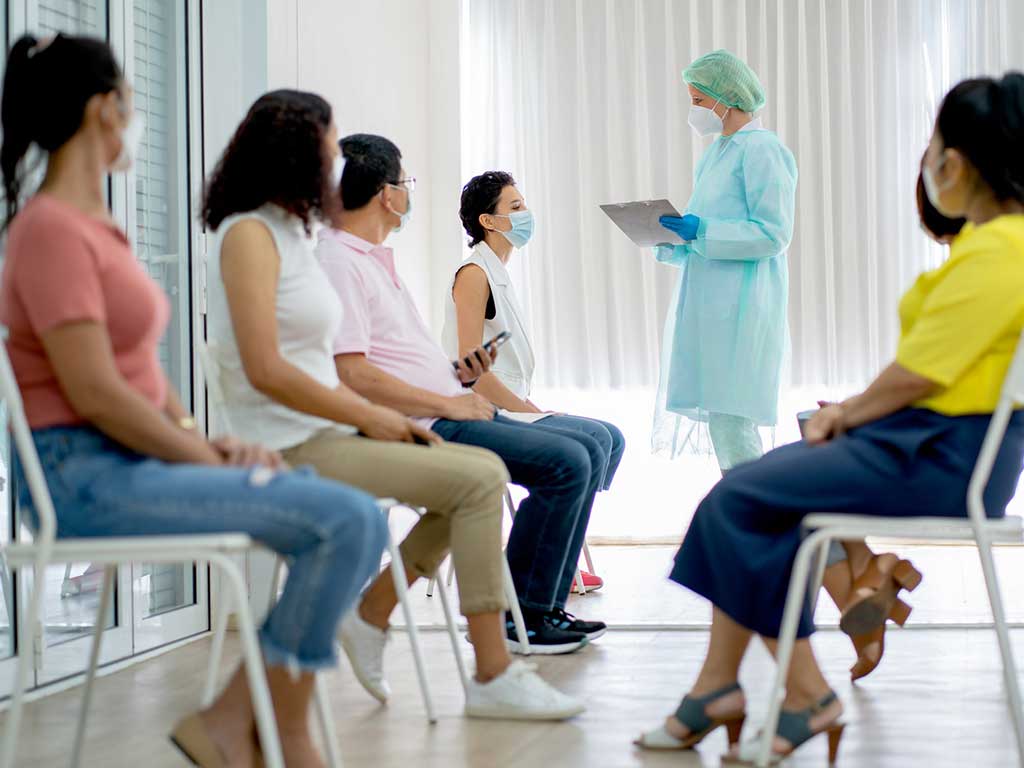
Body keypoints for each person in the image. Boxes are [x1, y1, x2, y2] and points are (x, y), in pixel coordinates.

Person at [0, 34, 386, 767]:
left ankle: (240, 720)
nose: (138, 117)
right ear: (104, 109)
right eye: (131, 101)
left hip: (127, 463)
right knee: (345, 519)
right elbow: (96, 393)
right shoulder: (48, 231)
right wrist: (203, 449)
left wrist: (202, 439)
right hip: (82, 477)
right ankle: (262, 728)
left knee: (346, 519)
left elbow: (137, 377)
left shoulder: (95, 228)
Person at [637, 72, 1024, 762]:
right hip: (936, 443)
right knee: (753, 501)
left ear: (955, 162)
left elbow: (921, 373)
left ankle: (801, 693)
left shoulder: (1002, 249)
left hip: (944, 457)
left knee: (739, 499)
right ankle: (720, 686)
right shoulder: (994, 244)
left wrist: (845, 414)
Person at [203, 90, 582, 720]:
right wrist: (376, 416)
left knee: (480, 480)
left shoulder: (291, 239)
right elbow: (271, 368)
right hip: (299, 440)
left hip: (335, 428)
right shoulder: (252, 236)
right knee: (483, 480)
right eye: (329, 154)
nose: (336, 171)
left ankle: (381, 621)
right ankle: (487, 669)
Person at [317, 134, 608, 655]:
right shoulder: (342, 262)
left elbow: (398, 359)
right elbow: (354, 374)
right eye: (405, 182)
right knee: (569, 459)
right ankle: (527, 614)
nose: (409, 193)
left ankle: (541, 607)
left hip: (451, 403)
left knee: (587, 448)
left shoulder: (375, 261)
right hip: (429, 420)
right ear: (387, 195)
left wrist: (459, 377)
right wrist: (450, 401)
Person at [443, 170, 626, 592]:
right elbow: (468, 369)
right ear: (489, 221)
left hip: (510, 404)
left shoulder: (499, 273)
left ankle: (555, 550)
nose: (527, 214)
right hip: (486, 411)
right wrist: (528, 410)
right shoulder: (474, 274)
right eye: (516, 207)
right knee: (593, 442)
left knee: (610, 439)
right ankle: (547, 566)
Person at [653, 49, 797, 474]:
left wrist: (701, 230)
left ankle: (759, 522)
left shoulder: (763, 150)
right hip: (712, 309)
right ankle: (748, 518)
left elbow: (773, 234)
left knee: (735, 423)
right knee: (724, 422)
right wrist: (673, 240)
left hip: (743, 309)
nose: (694, 111)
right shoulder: (717, 153)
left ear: (727, 98)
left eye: (699, 101)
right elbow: (708, 236)